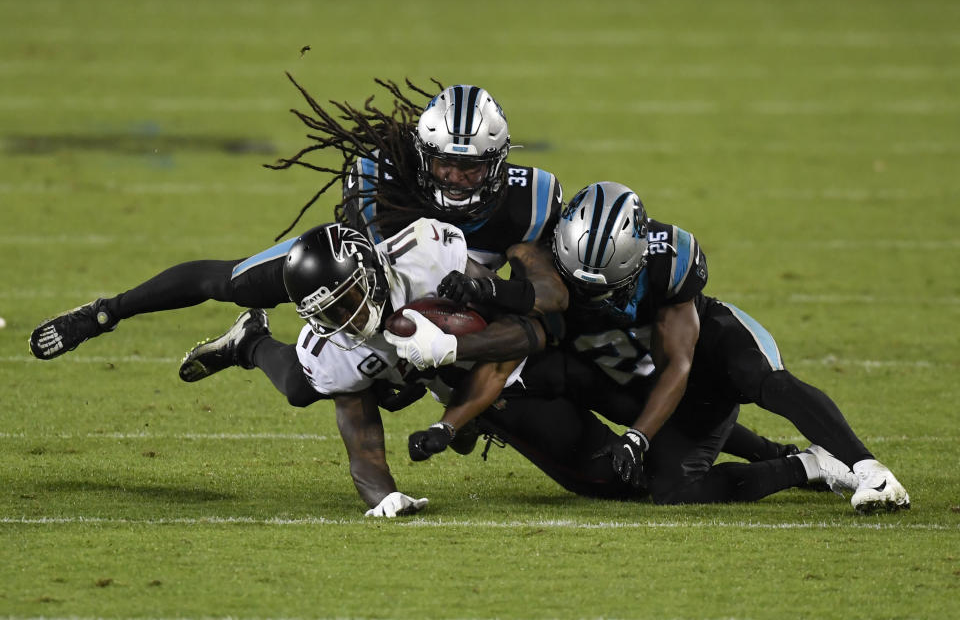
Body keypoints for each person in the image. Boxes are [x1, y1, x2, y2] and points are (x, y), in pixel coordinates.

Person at [28, 78, 567, 363]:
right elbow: (370, 277)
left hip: (466, 314)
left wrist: (484, 295)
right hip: (375, 282)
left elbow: (547, 299)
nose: (454, 178)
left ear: (497, 164)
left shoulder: (534, 199)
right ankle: (103, 313)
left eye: (470, 168)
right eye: (444, 163)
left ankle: (250, 347)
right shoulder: (383, 177)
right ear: (421, 154)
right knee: (232, 281)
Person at [503, 181, 908, 512]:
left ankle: (872, 471)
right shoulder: (539, 253)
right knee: (673, 490)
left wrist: (636, 438)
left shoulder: (668, 260)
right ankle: (811, 464)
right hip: (648, 365)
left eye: (605, 286)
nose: (589, 296)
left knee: (761, 377)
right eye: (577, 284)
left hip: (708, 348)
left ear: (636, 261)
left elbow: (680, 364)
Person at [180, 219, 537, 516]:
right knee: (298, 387)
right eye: (327, 313)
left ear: (370, 273)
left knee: (482, 423)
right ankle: (250, 342)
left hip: (466, 355)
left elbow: (521, 322)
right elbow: (362, 439)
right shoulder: (336, 345)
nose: (345, 318)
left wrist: (460, 333)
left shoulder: (426, 262)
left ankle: (465, 410)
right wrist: (386, 498)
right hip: (397, 369)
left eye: (348, 299)